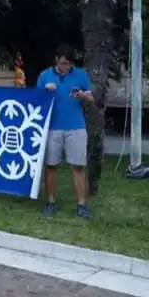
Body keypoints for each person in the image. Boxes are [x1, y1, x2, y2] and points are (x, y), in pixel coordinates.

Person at [36, 44, 94, 219]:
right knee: (51, 165)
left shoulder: (80, 75)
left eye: (68, 64)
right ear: (56, 60)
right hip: (52, 127)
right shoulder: (45, 76)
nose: (65, 67)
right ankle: (51, 202)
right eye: (62, 63)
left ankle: (81, 205)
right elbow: (35, 101)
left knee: (77, 166)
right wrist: (46, 92)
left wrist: (83, 96)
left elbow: (91, 98)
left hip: (76, 127)